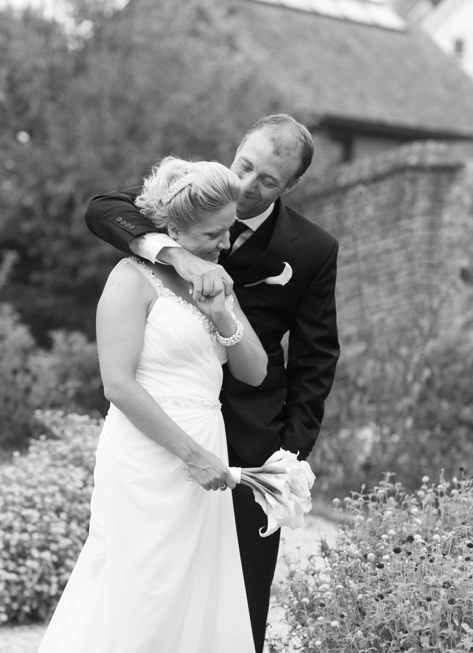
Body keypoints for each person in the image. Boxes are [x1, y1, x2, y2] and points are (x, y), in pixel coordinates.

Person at [84, 114, 340, 651]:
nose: (248, 185)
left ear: (290, 187)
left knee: (236, 593)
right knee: (148, 581)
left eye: (267, 180)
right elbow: (103, 208)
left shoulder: (313, 249)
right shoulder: (186, 202)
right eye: (244, 164)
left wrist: (286, 455)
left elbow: (316, 359)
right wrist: (171, 252)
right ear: (236, 148)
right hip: (157, 427)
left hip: (250, 434)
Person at [37, 157, 269, 653]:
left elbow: (254, 371)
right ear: (170, 228)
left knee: (198, 589)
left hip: (208, 443)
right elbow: (117, 386)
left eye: (228, 231)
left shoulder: (216, 280)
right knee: (140, 589)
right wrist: (192, 456)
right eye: (213, 234)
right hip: (149, 455)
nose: (224, 244)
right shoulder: (130, 279)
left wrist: (222, 315)